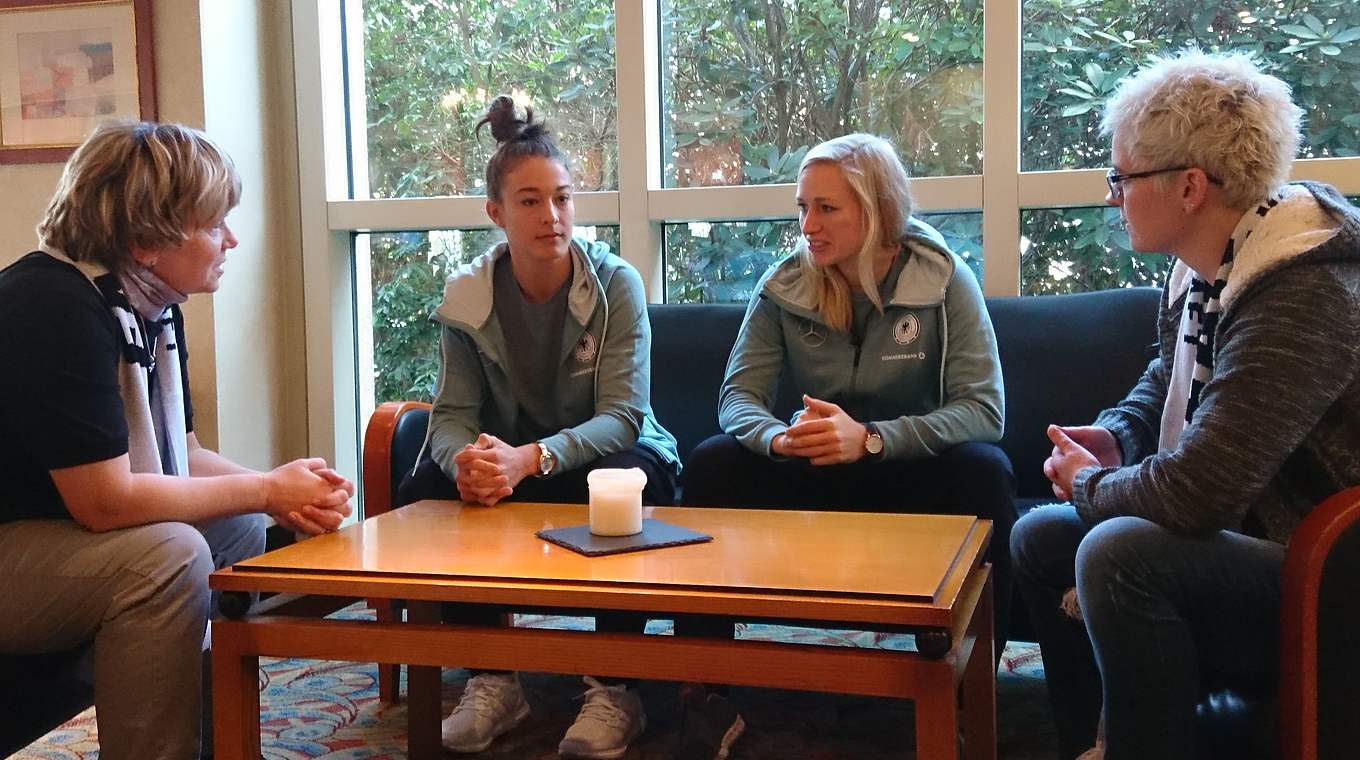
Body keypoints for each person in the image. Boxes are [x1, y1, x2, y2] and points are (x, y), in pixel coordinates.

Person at [1010, 49, 1360, 760]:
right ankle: (1097, 743)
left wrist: (1090, 483)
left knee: (1118, 552)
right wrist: (1116, 437)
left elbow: (1200, 493)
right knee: (1043, 536)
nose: (1112, 196)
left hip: (1329, 571)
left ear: (1191, 186)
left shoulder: (1302, 292)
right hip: (1261, 537)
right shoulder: (1207, 264)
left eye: (1122, 178)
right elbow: (1166, 375)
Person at [0, 122, 355, 760]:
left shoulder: (150, 307)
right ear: (145, 239)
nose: (231, 239)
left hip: (42, 532)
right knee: (168, 556)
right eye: (215, 223)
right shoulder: (51, 307)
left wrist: (279, 497)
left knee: (238, 524)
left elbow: (185, 456)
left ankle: (216, 738)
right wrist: (269, 487)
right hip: (13, 538)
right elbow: (103, 502)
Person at [678, 132, 1015, 757]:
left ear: (877, 208)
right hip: (812, 463)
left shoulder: (944, 280)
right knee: (712, 463)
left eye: (827, 208)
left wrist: (875, 440)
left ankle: (967, 684)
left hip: (905, 465)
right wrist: (779, 440)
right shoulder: (783, 286)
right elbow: (736, 400)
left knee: (985, 471)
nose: (808, 224)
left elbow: (985, 410)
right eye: (802, 207)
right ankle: (706, 684)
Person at [399, 96, 680, 759]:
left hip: (605, 453)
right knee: (434, 492)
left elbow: (622, 416)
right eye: (529, 201)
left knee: (624, 482)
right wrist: (466, 460)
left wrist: (532, 459)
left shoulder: (617, 284)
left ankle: (616, 688)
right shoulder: (469, 298)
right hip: (513, 457)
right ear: (496, 213)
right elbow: (451, 418)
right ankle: (493, 678)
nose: (551, 217)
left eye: (561, 198)